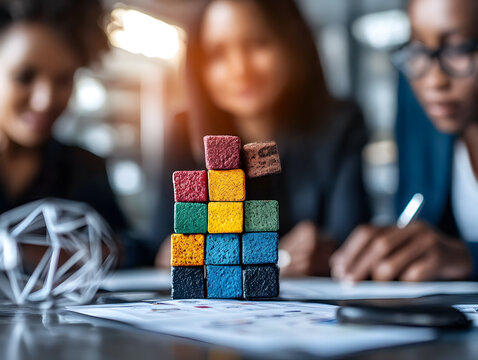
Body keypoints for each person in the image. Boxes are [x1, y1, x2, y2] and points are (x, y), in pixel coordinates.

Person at [154, 0, 370, 275]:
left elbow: (350, 241)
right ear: (199, 67)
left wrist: (325, 250)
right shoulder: (183, 132)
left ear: (291, 42)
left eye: (257, 44)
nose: (240, 69)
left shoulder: (340, 123)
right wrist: (273, 256)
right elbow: (161, 244)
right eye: (217, 54)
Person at [331, 0, 478, 282]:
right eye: (417, 49)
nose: (434, 80)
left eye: (459, 48)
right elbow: (416, 223)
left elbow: (454, 253)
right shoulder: (424, 106)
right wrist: (396, 248)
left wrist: (466, 257)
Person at [0, 0, 133, 265]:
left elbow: (131, 247)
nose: (45, 100)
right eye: (25, 77)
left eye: (63, 80)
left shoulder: (85, 168)